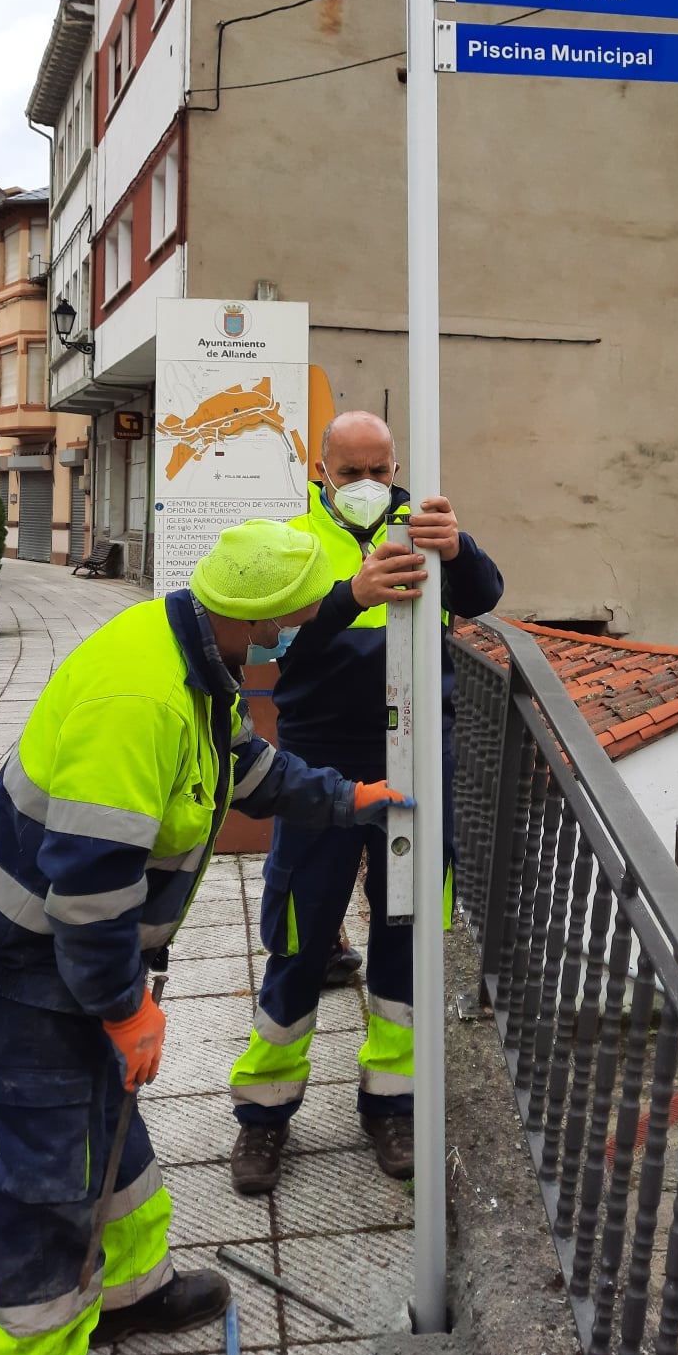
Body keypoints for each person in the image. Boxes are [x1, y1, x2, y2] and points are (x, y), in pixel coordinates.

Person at [0, 520, 406, 1355]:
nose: (297, 631)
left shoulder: (195, 655)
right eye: (296, 616)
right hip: (20, 954)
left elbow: (246, 765)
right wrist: (123, 1008)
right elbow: (89, 890)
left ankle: (127, 1296)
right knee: (45, 1168)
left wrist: (345, 797)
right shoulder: (139, 697)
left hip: (65, 946)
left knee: (108, 1123)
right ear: (256, 614)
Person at [228, 411, 503, 1194]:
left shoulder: (424, 526)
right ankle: (263, 1116)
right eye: (351, 473)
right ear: (321, 472)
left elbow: (484, 596)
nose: (368, 486)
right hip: (321, 761)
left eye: (380, 469)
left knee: (405, 933)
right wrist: (348, 595)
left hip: (416, 756)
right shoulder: (291, 542)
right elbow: (271, 643)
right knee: (300, 933)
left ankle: (391, 1103)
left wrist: (460, 548)